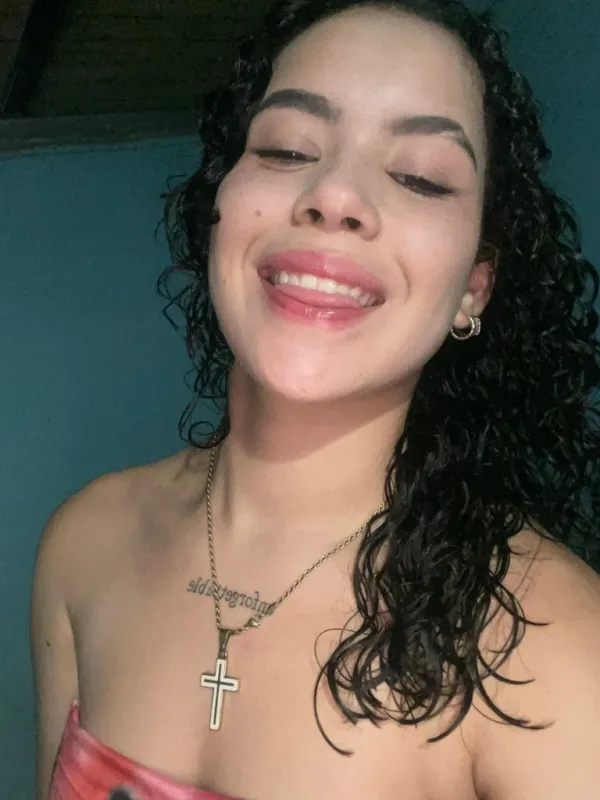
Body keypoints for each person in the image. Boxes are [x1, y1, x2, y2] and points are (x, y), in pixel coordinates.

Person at [32, 0, 600, 798]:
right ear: (221, 212)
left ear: (475, 286)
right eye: (287, 149)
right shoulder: (81, 545)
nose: (334, 194)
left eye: (420, 176)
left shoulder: (553, 650)